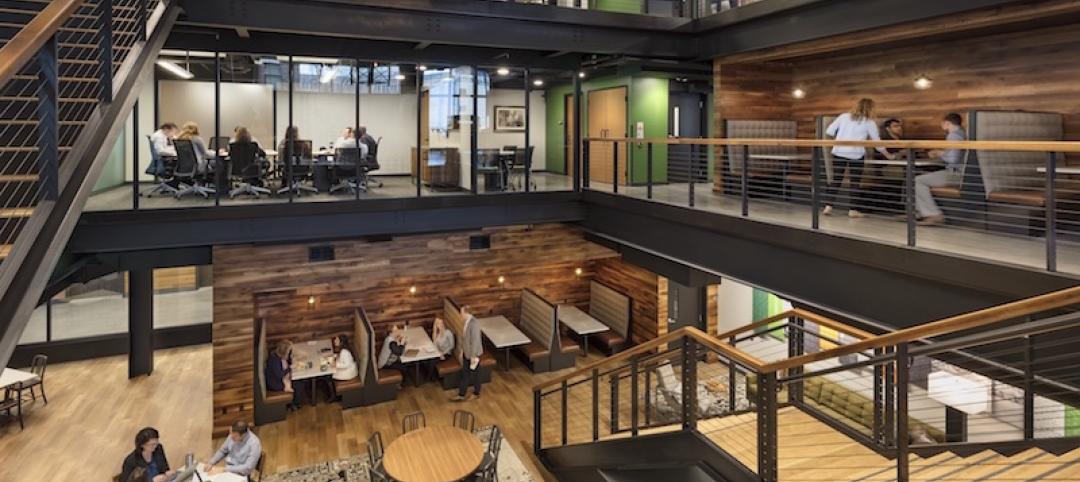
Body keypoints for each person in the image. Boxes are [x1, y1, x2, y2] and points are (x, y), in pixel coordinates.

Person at [823, 98, 894, 218]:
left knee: (836, 180)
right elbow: (876, 142)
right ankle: (852, 210)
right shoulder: (869, 122)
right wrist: (888, 155)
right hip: (856, 155)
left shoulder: (844, 116)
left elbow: (829, 131)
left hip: (839, 152)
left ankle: (828, 207)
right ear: (871, 109)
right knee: (855, 182)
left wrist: (842, 136)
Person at [915, 113, 967, 226]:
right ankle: (919, 212)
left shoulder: (953, 136)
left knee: (917, 181)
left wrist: (939, 153)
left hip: (955, 173)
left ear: (947, 123)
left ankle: (933, 214)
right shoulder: (963, 133)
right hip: (965, 173)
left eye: (942, 124)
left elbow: (953, 159)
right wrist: (942, 152)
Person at [451, 305, 483, 402]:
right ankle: (462, 394)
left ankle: (476, 393)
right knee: (465, 374)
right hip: (467, 353)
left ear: (466, 312)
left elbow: (475, 340)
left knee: (475, 374)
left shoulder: (474, 323)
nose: (460, 314)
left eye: (461, 312)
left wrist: (473, 356)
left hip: (473, 354)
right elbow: (465, 339)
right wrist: (462, 350)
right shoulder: (466, 322)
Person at [266, 340, 304, 408]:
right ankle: (295, 404)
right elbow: (279, 375)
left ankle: (296, 401)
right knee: (298, 383)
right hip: (275, 383)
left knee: (298, 381)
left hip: (279, 379)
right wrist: (290, 368)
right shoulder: (274, 361)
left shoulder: (278, 355)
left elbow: (287, 361)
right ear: (284, 351)